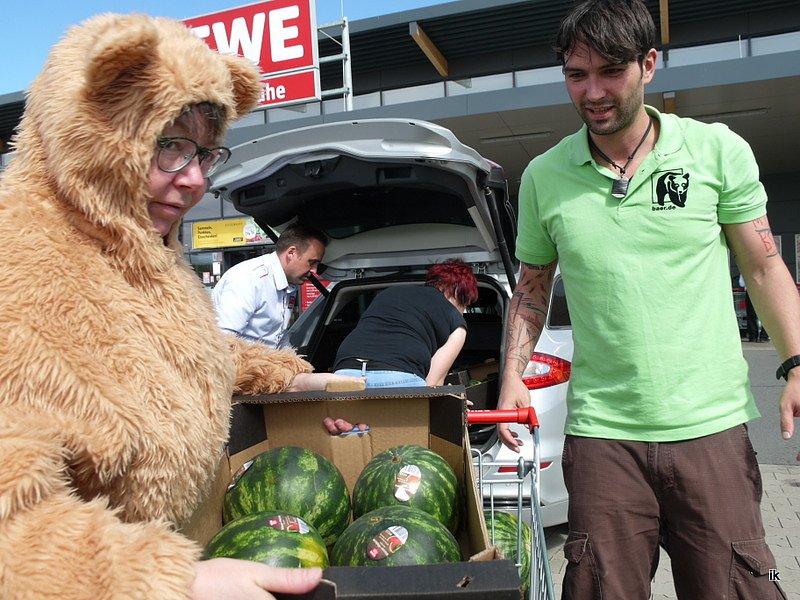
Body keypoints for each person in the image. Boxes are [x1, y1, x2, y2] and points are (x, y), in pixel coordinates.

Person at [0, 14, 358, 600]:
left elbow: (174, 353)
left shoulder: (148, 254)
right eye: (168, 146)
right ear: (89, 131)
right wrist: (174, 581)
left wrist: (287, 377)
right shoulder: (16, 275)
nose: (194, 181)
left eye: (206, 154)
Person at [496, 0, 799, 598]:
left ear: (650, 65)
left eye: (611, 70)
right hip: (603, 436)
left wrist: (794, 362)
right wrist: (512, 376)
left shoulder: (715, 151)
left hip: (710, 426)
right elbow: (531, 288)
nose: (593, 91)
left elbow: (764, 266)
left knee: (734, 587)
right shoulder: (544, 176)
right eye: (576, 75)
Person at [324, 259, 477, 433]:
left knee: (354, 443)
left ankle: (357, 433)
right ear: (459, 293)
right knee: (398, 449)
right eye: (466, 304)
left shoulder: (389, 293)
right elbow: (431, 385)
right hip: (398, 378)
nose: (464, 311)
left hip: (344, 375)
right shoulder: (457, 323)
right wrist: (450, 398)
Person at [212, 224, 327, 346]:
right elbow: (225, 340)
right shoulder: (248, 279)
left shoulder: (288, 282)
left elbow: (279, 338)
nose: (314, 270)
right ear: (291, 253)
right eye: (312, 262)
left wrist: (295, 364)